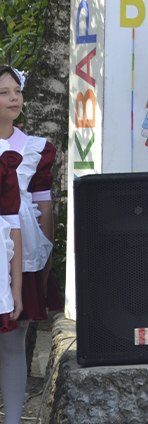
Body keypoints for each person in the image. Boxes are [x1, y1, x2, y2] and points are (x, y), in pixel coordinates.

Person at [0, 65, 59, 424]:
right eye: (4, 92)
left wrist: (46, 255)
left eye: (17, 91)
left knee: (13, 345)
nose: (14, 98)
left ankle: (13, 419)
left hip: (22, 259)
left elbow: (43, 207)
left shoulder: (37, 149)